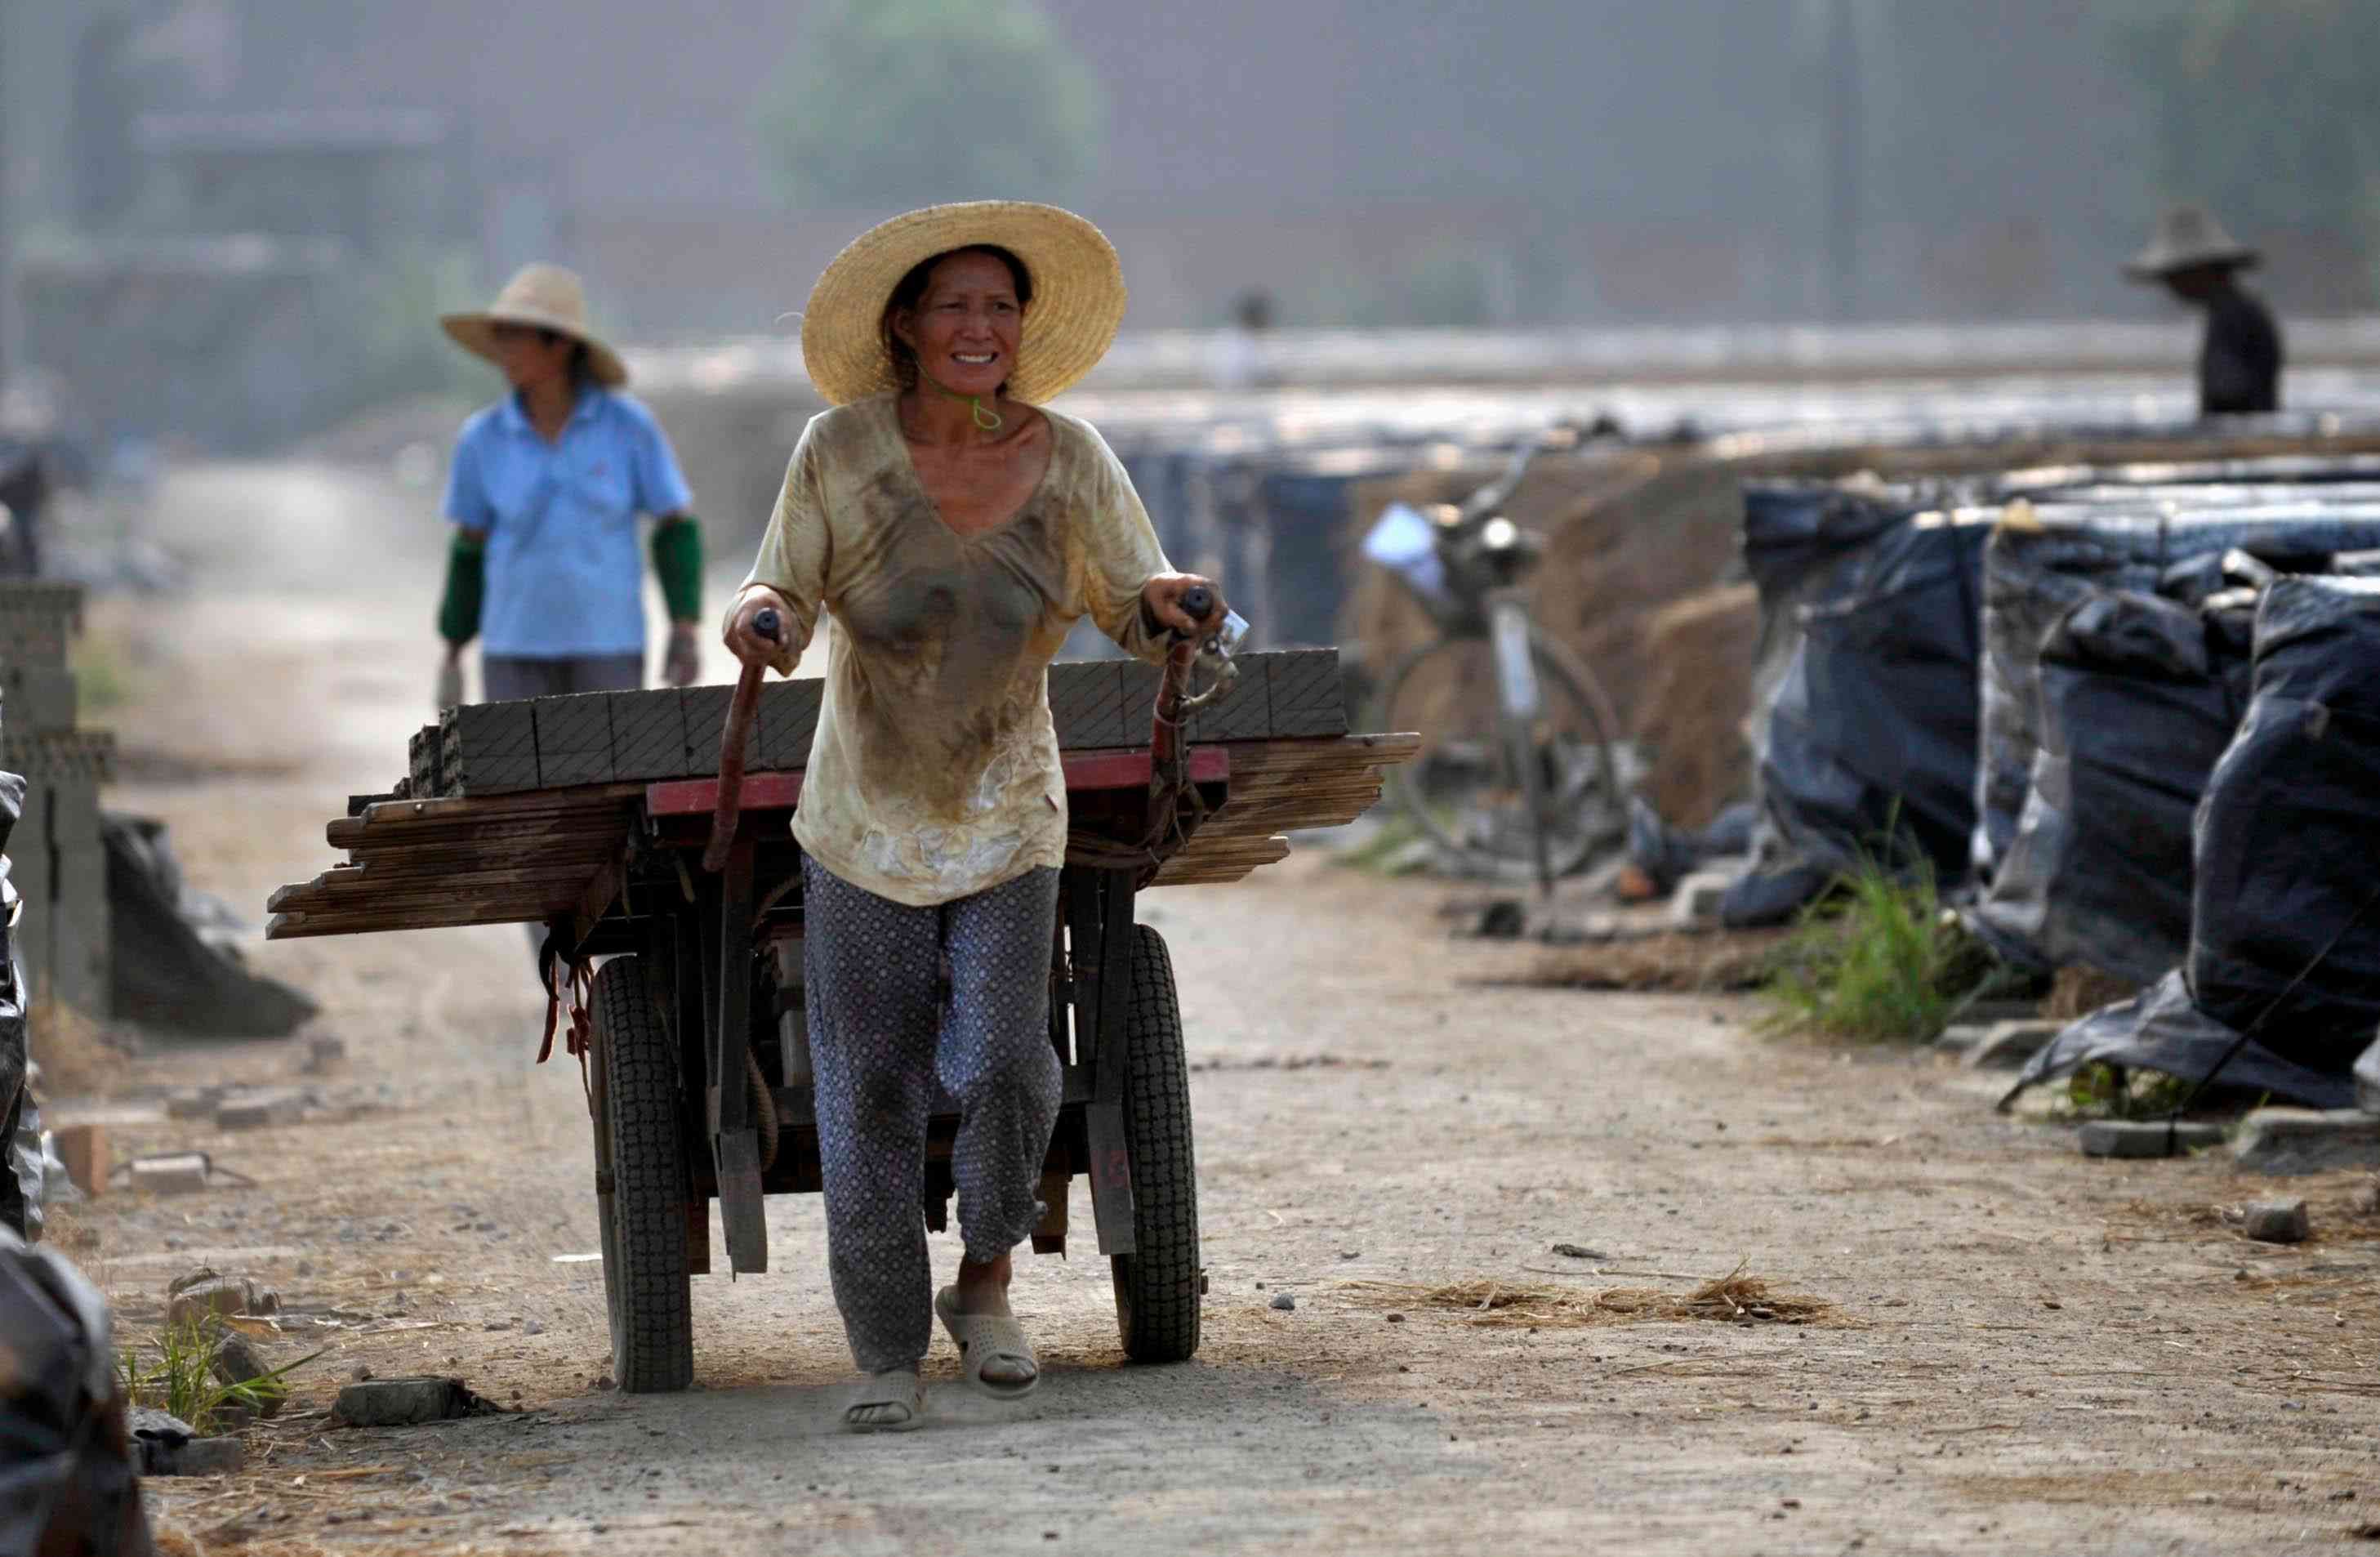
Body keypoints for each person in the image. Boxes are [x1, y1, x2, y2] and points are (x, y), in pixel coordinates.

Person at [720, 202, 1224, 1433]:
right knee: (872, 1084)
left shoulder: (1070, 457)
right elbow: (776, 577)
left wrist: (1171, 603)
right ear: (904, 325)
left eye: (999, 308)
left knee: (1005, 1058)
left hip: (1008, 812)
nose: (978, 328)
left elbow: (1128, 594)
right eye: (953, 305)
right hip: (861, 822)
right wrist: (760, 615)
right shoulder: (838, 450)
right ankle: (885, 1348)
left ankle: (985, 1278)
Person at [435, 264, 705, 708]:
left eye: (514, 336)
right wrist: (452, 650)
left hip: (609, 646)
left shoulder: (628, 428)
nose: (503, 351)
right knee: (514, 774)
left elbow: (675, 526)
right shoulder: (482, 439)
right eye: (499, 336)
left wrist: (685, 626)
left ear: (558, 344)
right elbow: (470, 547)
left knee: (612, 775)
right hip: (512, 648)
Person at [2124, 204, 2283, 417]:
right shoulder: (2240, 310)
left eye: (2174, 275)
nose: (2171, 286)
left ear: (2198, 270)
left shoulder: (2232, 317)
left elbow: (2227, 397)